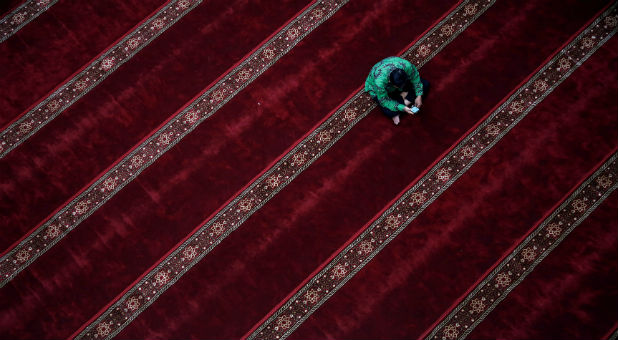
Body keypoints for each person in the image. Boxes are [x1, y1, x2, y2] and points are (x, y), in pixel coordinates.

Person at [365, 56, 430, 125]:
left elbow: (415, 79)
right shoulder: (379, 82)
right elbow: (384, 101)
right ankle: (405, 99)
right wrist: (403, 108)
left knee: (425, 84)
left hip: (399, 83)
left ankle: (402, 100)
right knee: (389, 112)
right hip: (380, 90)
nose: (400, 89)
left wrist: (419, 95)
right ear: (390, 81)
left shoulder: (406, 66)